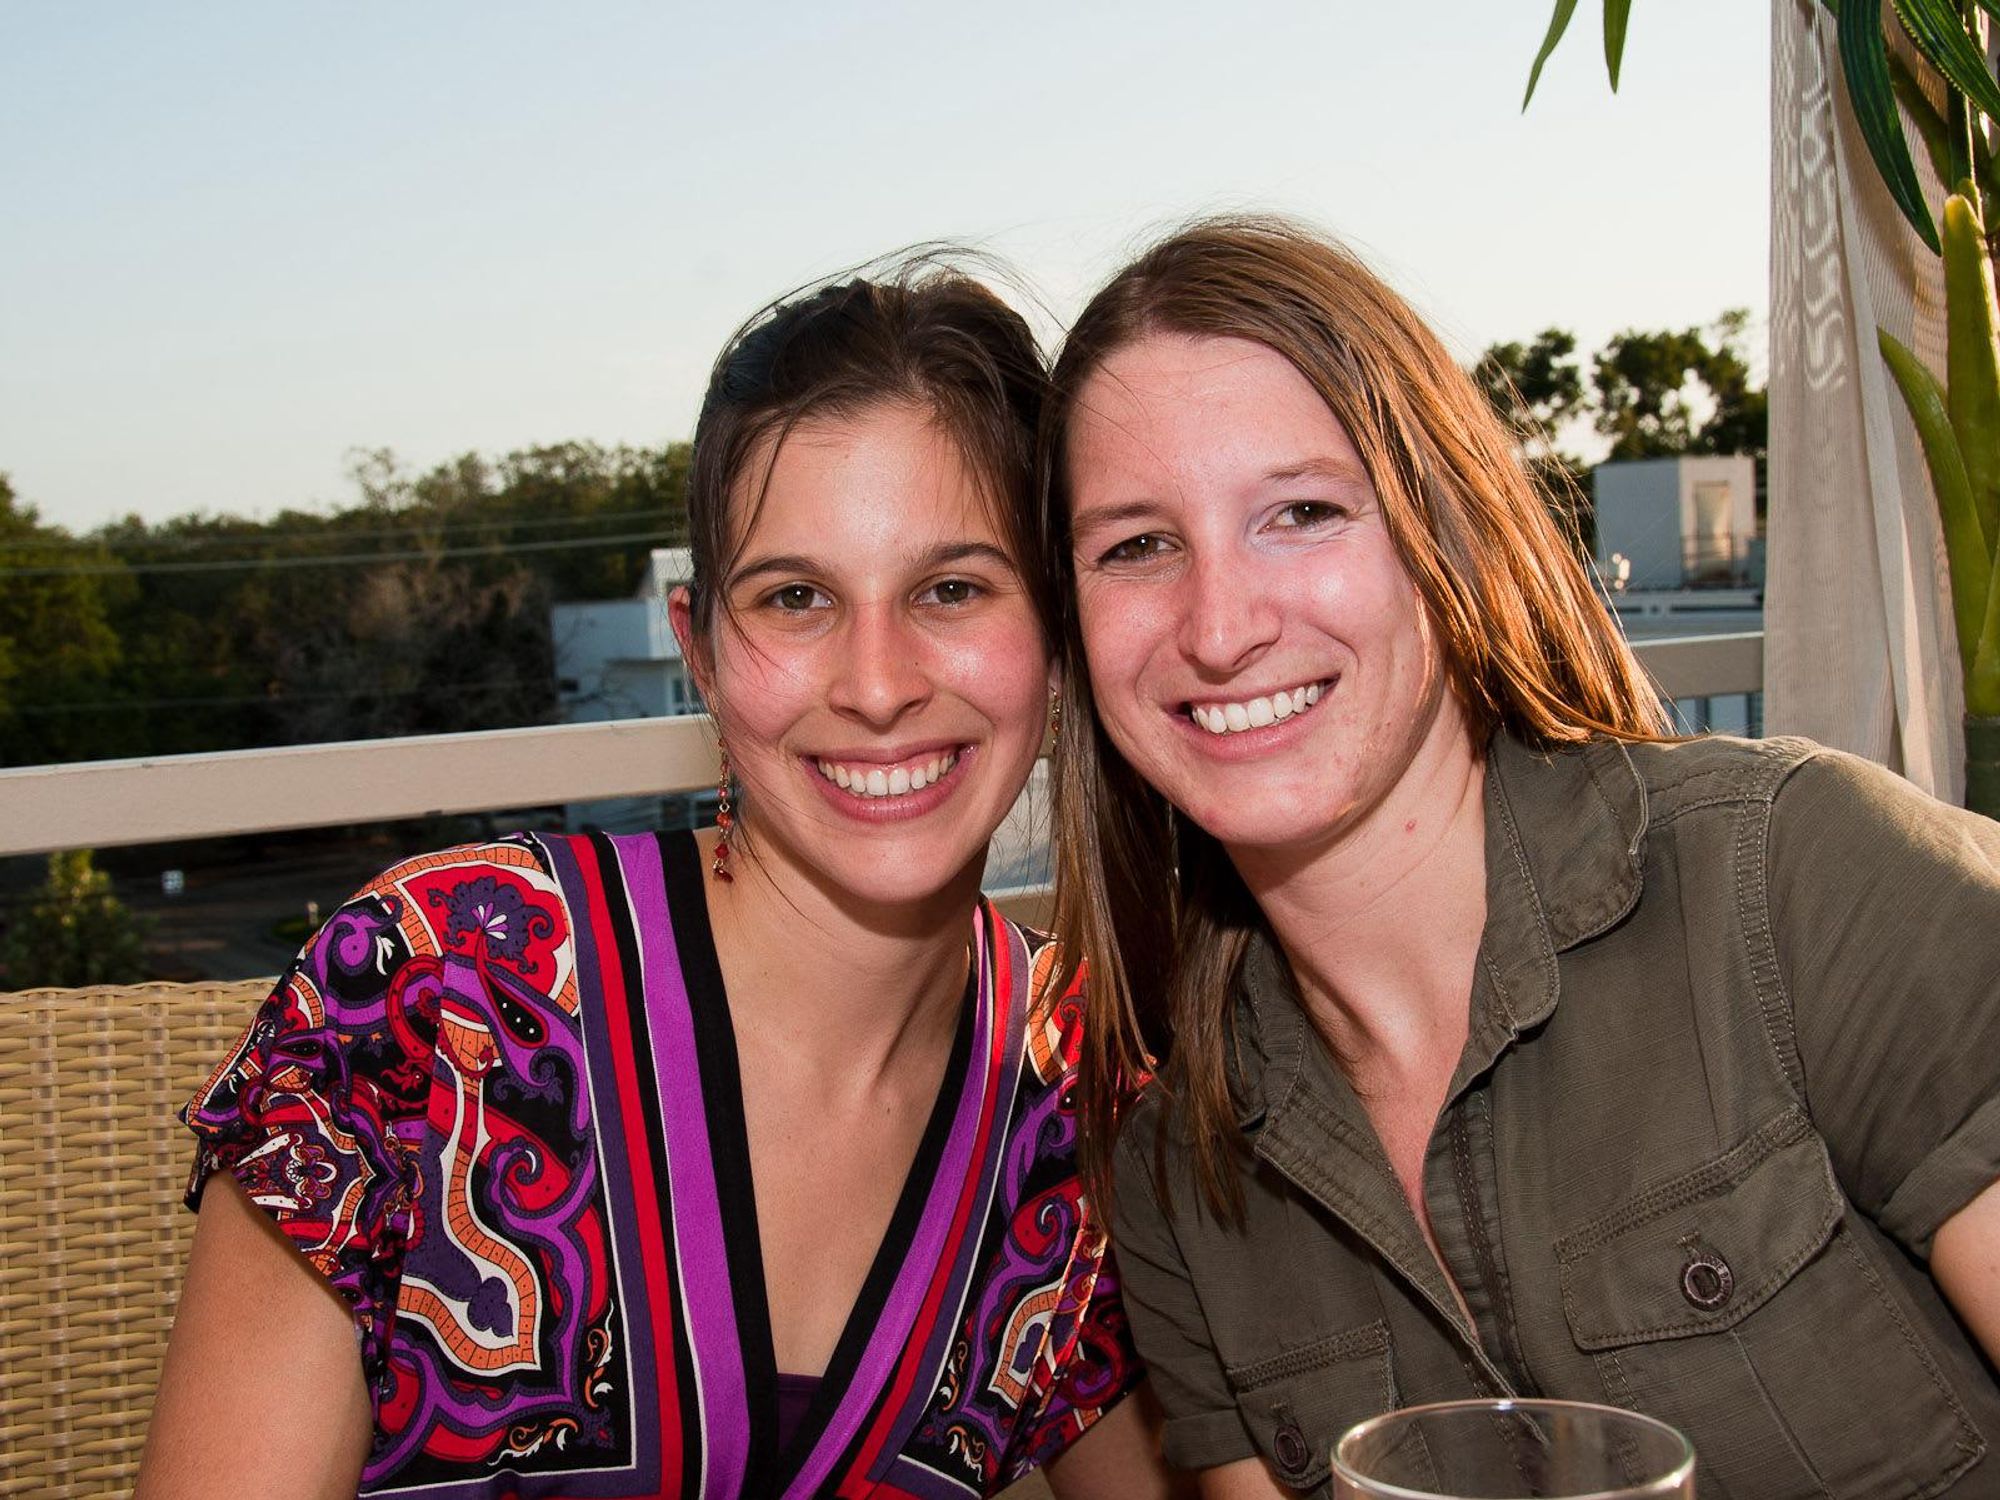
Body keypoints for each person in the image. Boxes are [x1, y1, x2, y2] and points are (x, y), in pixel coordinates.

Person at [137, 265, 1179, 1498]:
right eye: (794, 598)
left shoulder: (1078, 1107)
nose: (878, 682)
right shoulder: (438, 995)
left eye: (950, 589)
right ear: (697, 651)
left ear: (1057, 636)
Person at [1037, 217, 2000, 1497]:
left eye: (1302, 512)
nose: (1219, 627)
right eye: (1136, 546)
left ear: (1447, 535)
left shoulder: (1794, 883)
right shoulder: (1177, 1184)